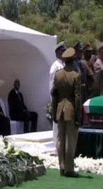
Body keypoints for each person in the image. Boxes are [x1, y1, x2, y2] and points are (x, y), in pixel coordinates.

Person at [52, 47, 81, 177]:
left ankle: (62, 166)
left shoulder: (58, 74)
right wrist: (79, 116)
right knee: (71, 140)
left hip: (59, 109)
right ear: (73, 59)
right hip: (70, 109)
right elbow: (78, 97)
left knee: (60, 139)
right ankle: (69, 169)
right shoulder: (76, 75)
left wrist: (53, 112)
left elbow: (54, 95)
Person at [49, 41, 66, 145]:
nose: (64, 53)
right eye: (62, 51)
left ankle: (61, 142)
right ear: (58, 52)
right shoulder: (55, 66)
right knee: (57, 123)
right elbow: (52, 84)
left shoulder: (63, 64)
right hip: (57, 98)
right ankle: (57, 143)